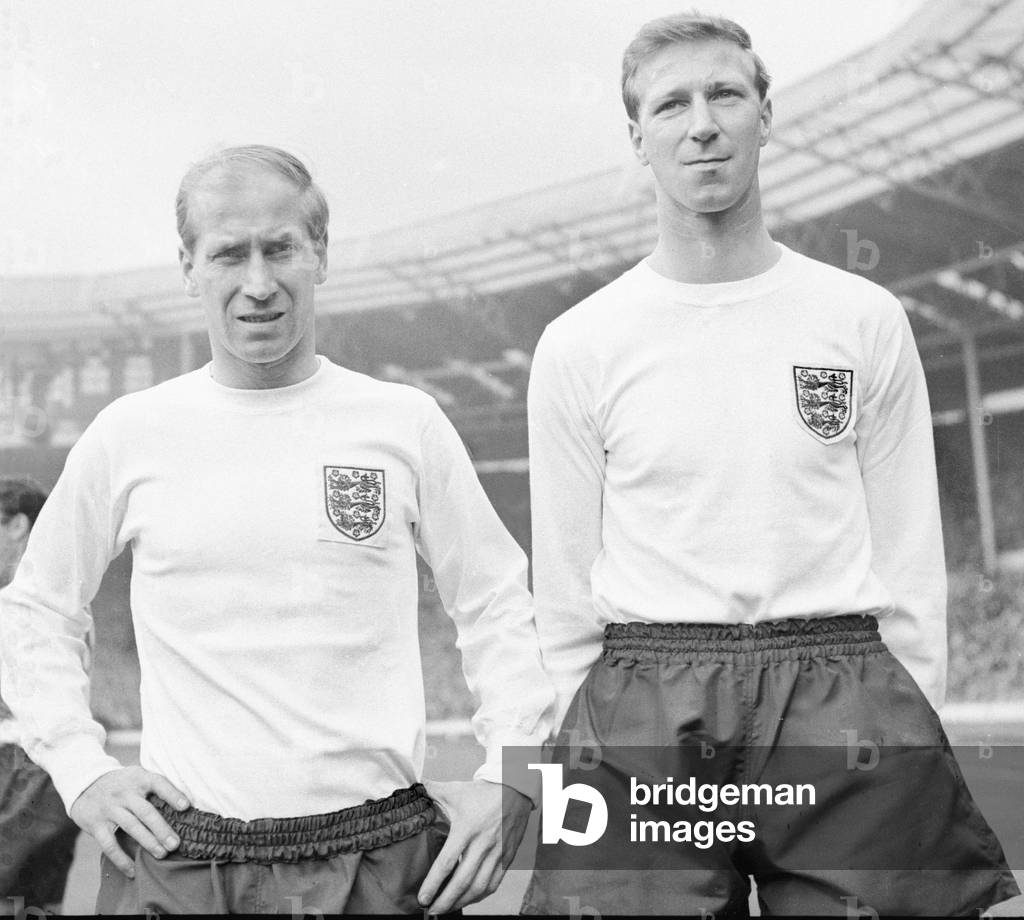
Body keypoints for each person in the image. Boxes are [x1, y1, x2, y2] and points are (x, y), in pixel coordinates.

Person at [521, 13, 1018, 916]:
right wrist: (577, 734)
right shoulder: (578, 344)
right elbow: (561, 583)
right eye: (671, 104)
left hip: (841, 684)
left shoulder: (861, 318)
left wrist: (912, 715)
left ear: (765, 113)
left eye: (725, 94)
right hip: (641, 700)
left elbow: (909, 551)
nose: (701, 122)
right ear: (639, 137)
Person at [0, 145, 555, 915]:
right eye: (229, 253)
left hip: (378, 855)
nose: (257, 283)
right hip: (180, 858)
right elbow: (39, 607)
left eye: (279, 248)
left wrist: (515, 776)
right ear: (189, 266)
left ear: (318, 252)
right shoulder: (129, 433)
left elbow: (497, 600)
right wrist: (78, 765)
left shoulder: (403, 423)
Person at [0, 477, 82, 913]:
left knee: (29, 903)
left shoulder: (49, 597)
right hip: (25, 765)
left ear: (16, 526)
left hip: (31, 765)